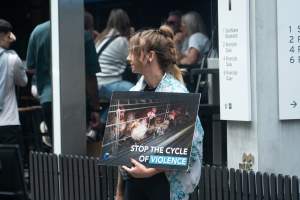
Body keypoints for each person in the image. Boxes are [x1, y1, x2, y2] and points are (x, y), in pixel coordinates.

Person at [115, 25, 204, 200]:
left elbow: (191, 146)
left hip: (164, 186)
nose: (128, 57)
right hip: (134, 185)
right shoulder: (133, 93)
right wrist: (119, 192)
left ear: (149, 56)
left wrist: (149, 171)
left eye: (134, 52)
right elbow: (122, 148)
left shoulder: (176, 93)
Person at [26, 21, 101, 148]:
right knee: (77, 149)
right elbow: (90, 76)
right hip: (76, 100)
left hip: (48, 98)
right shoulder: (83, 34)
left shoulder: (38, 31)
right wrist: (95, 107)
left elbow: (30, 67)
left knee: (57, 147)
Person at [95, 9, 134, 124]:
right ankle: (102, 122)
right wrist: (132, 38)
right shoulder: (121, 41)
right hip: (108, 83)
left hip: (96, 84)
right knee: (136, 93)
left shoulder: (101, 38)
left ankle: (100, 122)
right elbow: (134, 60)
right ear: (126, 24)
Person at [0, 19, 28, 149]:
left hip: (7, 122)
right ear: (6, 36)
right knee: (11, 167)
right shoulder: (12, 59)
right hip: (8, 122)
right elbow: (23, 82)